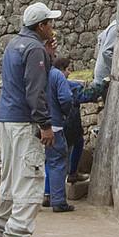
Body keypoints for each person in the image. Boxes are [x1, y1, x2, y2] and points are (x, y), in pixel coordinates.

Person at [0, 1, 61, 237]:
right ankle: (18, 231)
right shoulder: (34, 50)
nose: (52, 27)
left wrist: (49, 56)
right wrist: (45, 124)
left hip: (7, 117)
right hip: (24, 120)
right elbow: (35, 89)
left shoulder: (14, 45)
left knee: (10, 175)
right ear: (41, 26)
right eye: (49, 23)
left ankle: (2, 226)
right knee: (30, 174)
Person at [43, 56, 105, 211]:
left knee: (50, 161)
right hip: (65, 125)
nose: (70, 72)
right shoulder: (65, 83)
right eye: (68, 69)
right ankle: (69, 178)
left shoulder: (45, 79)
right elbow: (79, 97)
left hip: (50, 124)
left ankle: (47, 192)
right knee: (65, 154)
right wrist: (102, 86)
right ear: (62, 69)